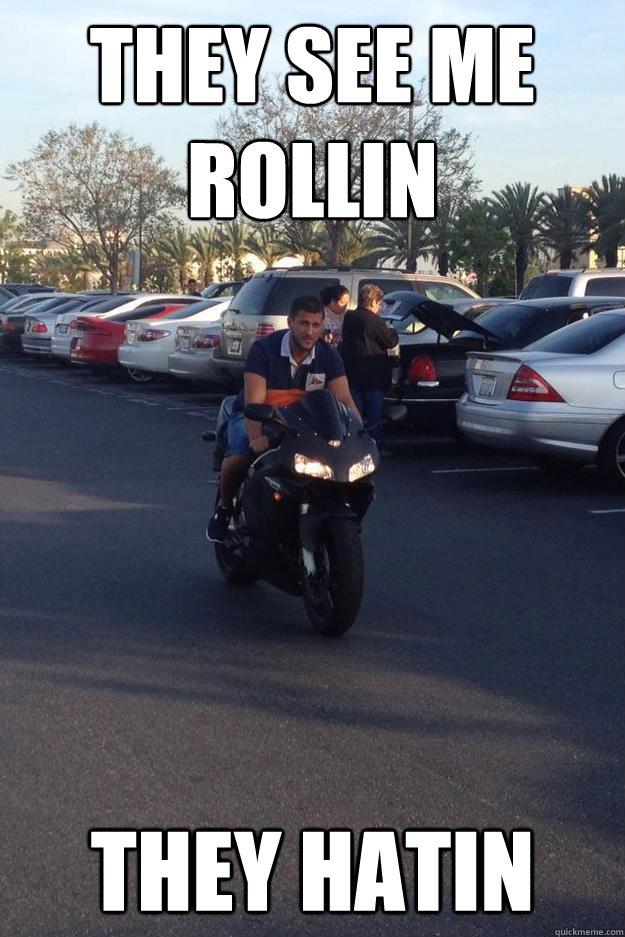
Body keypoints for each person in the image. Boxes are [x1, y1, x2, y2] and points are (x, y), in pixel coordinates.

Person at [207, 295, 361, 542]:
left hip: (302, 420)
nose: (309, 331)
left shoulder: (328, 356)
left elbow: (344, 400)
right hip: (257, 414)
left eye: (316, 325)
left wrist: (358, 435)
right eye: (303, 323)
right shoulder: (264, 350)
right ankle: (224, 508)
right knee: (240, 456)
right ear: (290, 322)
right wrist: (256, 436)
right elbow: (254, 401)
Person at [340, 283, 399, 453]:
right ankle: (375, 448)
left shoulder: (349, 317)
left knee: (354, 415)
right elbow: (390, 341)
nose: (379, 307)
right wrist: (393, 331)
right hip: (372, 375)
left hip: (352, 372)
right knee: (374, 417)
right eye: (379, 303)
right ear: (373, 302)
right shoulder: (375, 320)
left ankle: (354, 447)